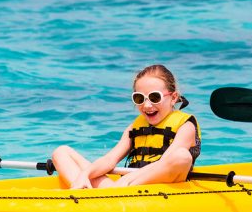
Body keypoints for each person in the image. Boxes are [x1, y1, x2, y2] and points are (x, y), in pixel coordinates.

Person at [52, 64, 202, 189]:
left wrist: (129, 180)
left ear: (173, 97)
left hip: (160, 186)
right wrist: (85, 174)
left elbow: (167, 162)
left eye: (155, 97)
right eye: (139, 98)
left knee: (182, 156)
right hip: (125, 187)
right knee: (61, 152)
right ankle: (81, 190)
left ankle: (111, 193)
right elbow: (110, 159)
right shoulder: (134, 128)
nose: (147, 105)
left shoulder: (186, 126)